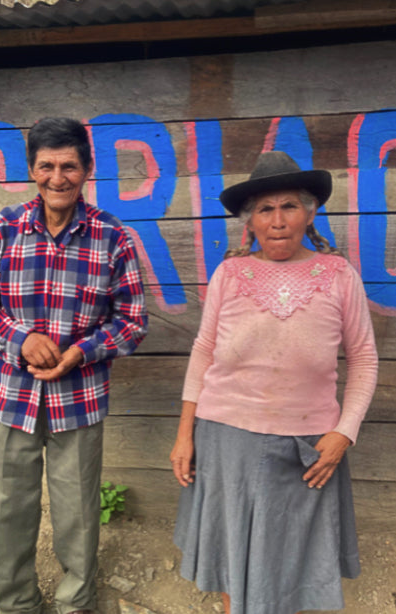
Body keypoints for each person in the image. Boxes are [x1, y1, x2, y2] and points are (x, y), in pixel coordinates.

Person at [170, 151, 378, 614]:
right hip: (225, 439)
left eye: (289, 206)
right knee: (231, 558)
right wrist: (185, 434)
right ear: (250, 221)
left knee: (287, 563)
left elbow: (364, 358)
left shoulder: (339, 275)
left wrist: (344, 432)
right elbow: (203, 351)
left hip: (307, 447)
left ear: (311, 212)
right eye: (265, 209)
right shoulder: (229, 274)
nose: (278, 220)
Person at [0, 117, 148, 614]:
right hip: (9, 397)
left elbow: (132, 321)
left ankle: (73, 603)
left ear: (86, 169)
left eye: (69, 166)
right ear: (31, 170)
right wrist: (19, 340)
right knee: (7, 508)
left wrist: (82, 351)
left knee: (78, 513)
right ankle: (16, 603)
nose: (57, 177)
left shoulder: (113, 237)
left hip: (78, 400)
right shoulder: (3, 229)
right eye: (47, 166)